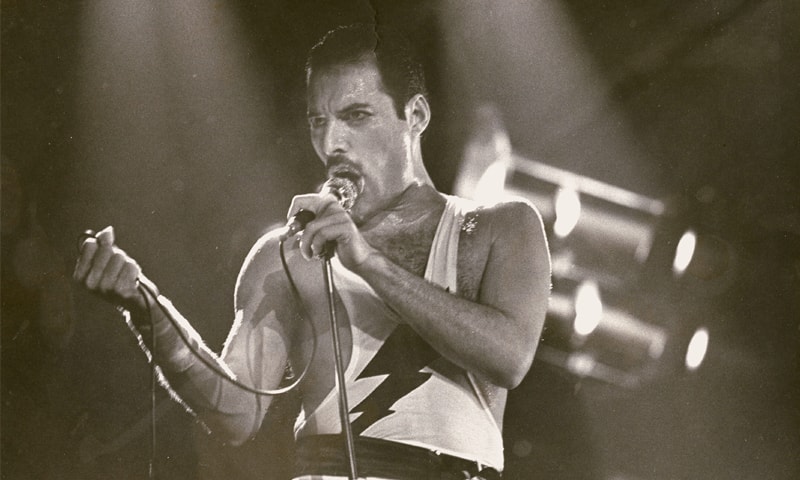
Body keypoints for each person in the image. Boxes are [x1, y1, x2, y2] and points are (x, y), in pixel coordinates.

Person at [74, 23, 551, 480]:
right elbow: (235, 414)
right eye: (318, 122)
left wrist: (367, 263)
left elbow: (508, 358)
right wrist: (148, 310)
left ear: (417, 116)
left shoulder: (501, 227)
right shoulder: (286, 255)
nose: (331, 143)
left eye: (356, 116)